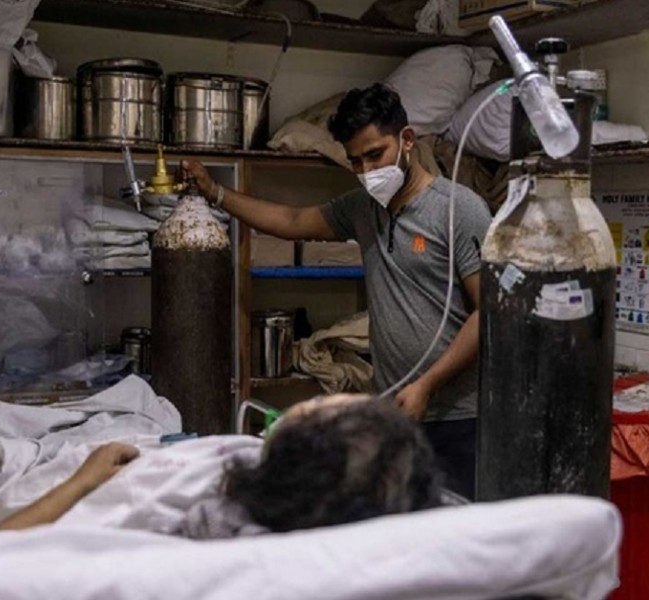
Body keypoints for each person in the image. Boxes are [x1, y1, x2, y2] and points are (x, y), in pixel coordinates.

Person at [182, 83, 491, 499]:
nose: (366, 172)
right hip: (398, 410)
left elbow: (488, 312)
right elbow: (291, 220)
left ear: (407, 140)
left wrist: (427, 385)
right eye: (355, 161)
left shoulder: (459, 209)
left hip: (459, 416)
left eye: (375, 155)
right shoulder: (363, 210)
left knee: (455, 532)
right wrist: (216, 193)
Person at [0, 395, 444, 536]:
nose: (308, 400)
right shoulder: (314, 493)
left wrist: (81, 481)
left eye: (317, 404)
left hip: (84, 467)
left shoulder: (189, 511)